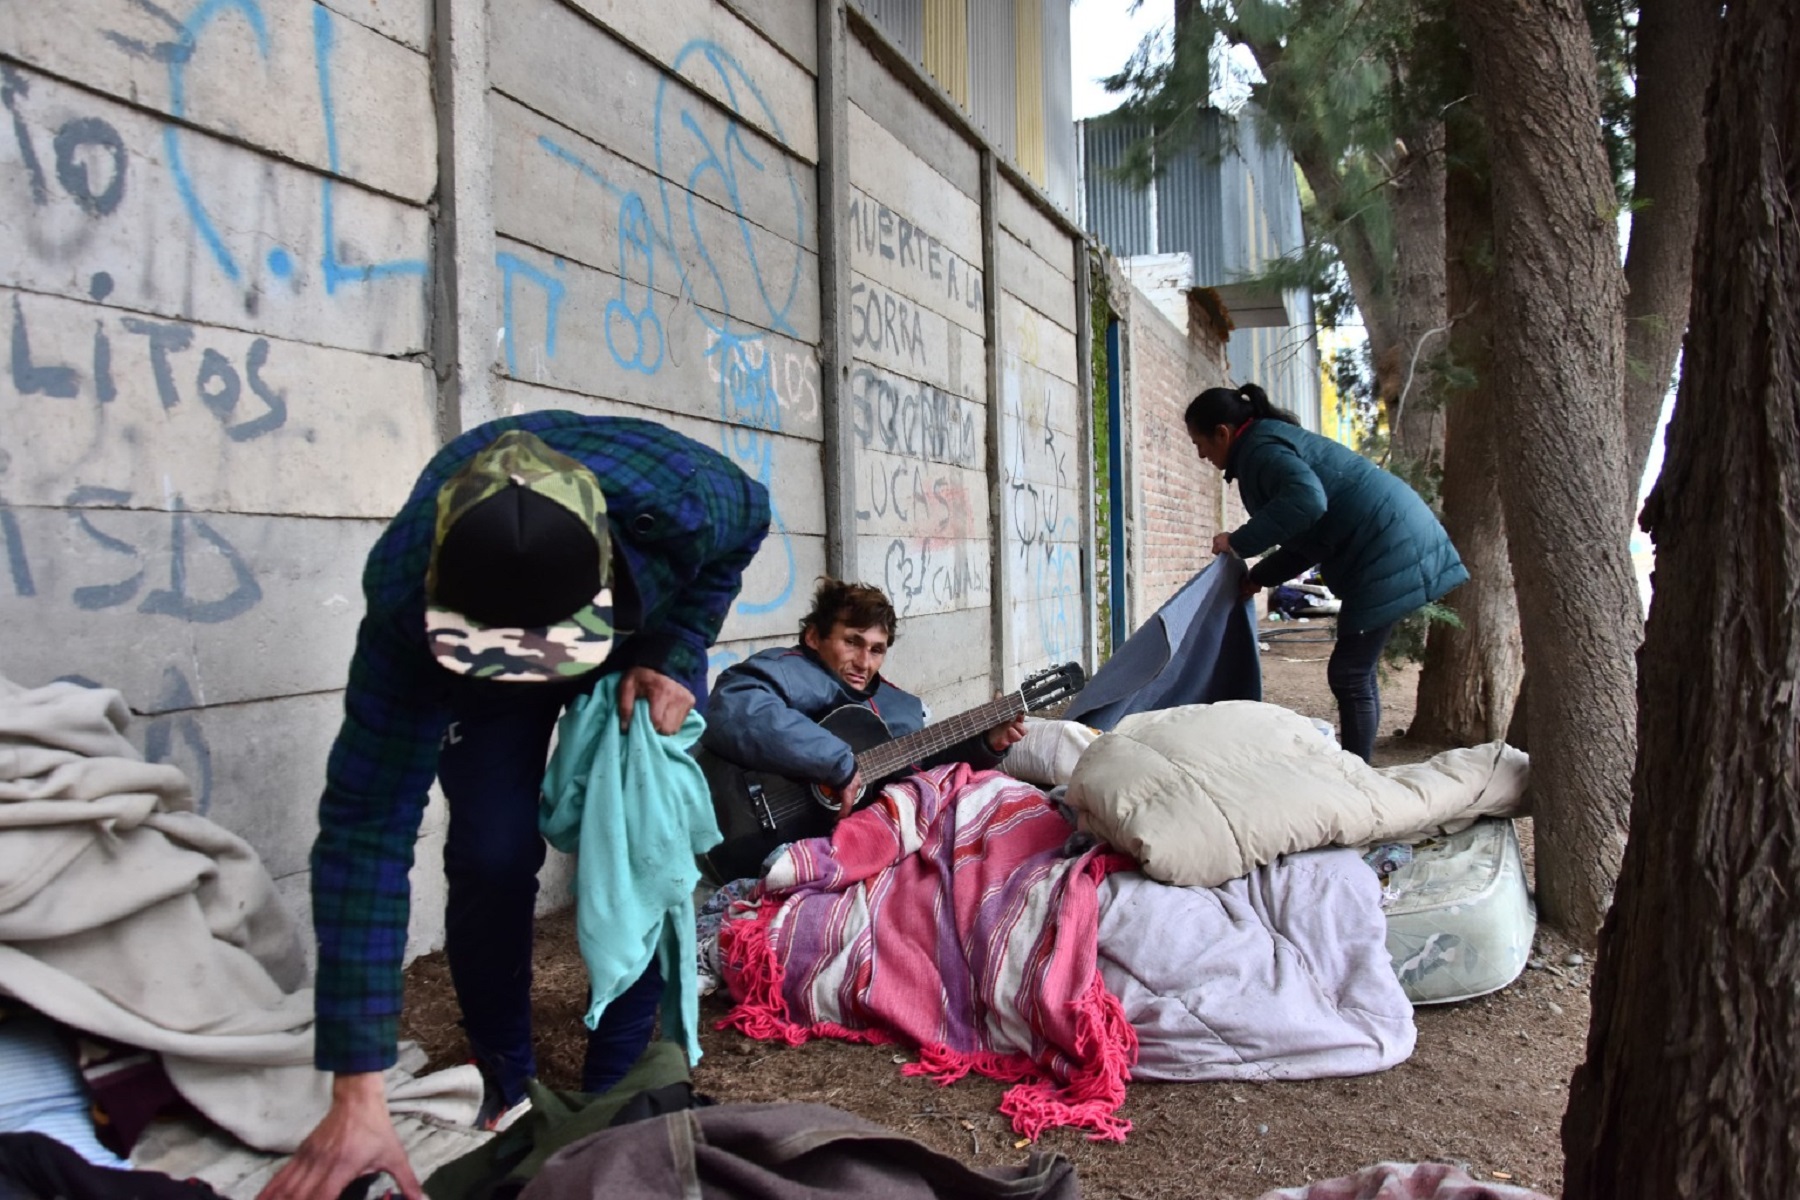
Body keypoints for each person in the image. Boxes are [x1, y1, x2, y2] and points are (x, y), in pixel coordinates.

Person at [260, 412, 770, 1200]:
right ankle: (506, 1078)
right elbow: (366, 831)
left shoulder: (684, 498)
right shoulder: (406, 602)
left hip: (620, 646)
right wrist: (357, 1088)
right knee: (490, 855)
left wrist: (674, 652)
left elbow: (749, 521)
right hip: (474, 670)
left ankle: (613, 1079)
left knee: (633, 832)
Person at [1186, 383, 1467, 762]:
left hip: (1388, 547)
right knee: (1357, 672)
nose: (1201, 455)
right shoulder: (1265, 444)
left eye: (1199, 444)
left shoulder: (1261, 451)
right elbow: (1310, 540)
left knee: (1350, 673)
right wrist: (1258, 577)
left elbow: (1307, 502)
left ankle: (1355, 776)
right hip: (1393, 541)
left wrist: (1238, 542)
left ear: (1222, 432)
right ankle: (1359, 770)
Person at [700, 579, 1026, 816]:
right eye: (852, 642)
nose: (863, 662)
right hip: (737, 825)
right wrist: (837, 762)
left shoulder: (895, 705)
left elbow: (921, 766)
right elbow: (735, 708)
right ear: (814, 637)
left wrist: (987, 743)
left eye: (876, 650)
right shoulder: (788, 669)